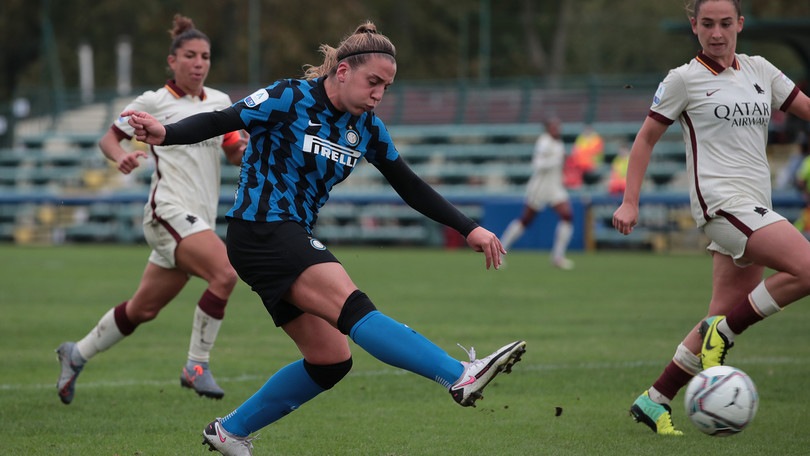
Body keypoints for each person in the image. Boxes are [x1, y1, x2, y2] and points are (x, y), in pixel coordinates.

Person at [122, 21, 526, 455]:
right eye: (373, 82)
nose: (378, 94)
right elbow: (223, 119)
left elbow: (409, 185)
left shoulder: (367, 128)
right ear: (342, 72)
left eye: (386, 87)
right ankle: (458, 374)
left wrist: (470, 227)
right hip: (262, 230)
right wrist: (166, 134)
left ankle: (229, 432)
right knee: (354, 307)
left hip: (287, 235)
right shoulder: (290, 96)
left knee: (331, 359)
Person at [612, 0, 810, 436]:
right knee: (806, 270)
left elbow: (806, 108)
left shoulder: (760, 69)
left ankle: (655, 398)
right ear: (694, 26)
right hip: (722, 205)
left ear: (740, 23)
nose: (716, 33)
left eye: (725, 23)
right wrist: (630, 201)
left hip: (756, 207)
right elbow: (645, 140)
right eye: (707, 24)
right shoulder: (683, 80)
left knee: (720, 313)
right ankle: (726, 332)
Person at [55, 14, 248, 404]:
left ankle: (76, 353)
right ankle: (196, 365)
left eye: (205, 56)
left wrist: (250, 150)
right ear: (172, 61)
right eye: (190, 55)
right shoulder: (153, 102)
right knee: (225, 273)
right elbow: (109, 139)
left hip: (197, 220)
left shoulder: (221, 102)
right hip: (168, 212)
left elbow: (232, 152)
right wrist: (121, 156)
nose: (199, 63)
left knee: (142, 310)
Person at [500, 117, 575, 270]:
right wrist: (558, 159)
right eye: (554, 126)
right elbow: (538, 164)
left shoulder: (558, 142)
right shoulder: (544, 142)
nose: (557, 129)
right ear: (547, 128)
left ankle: (557, 257)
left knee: (567, 216)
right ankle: (500, 250)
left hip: (554, 187)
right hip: (540, 188)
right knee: (525, 220)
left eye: (558, 126)